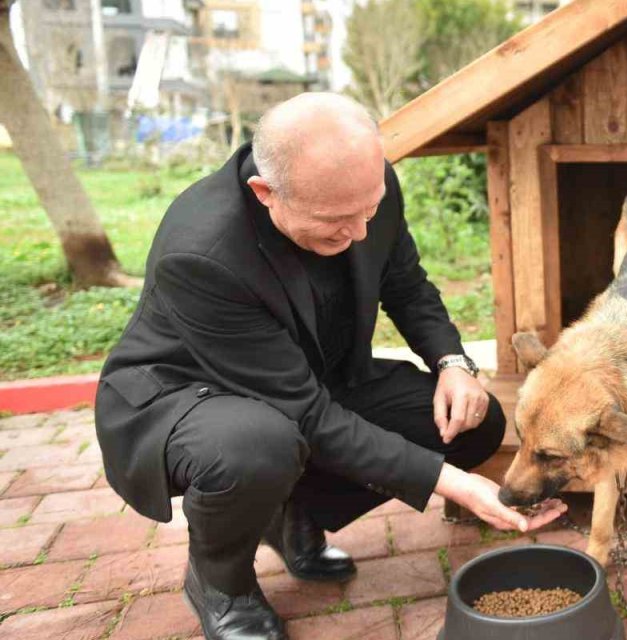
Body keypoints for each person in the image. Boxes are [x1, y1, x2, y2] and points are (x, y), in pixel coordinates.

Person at [94, 93, 565, 640]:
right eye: (338, 222)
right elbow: (307, 415)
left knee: (474, 419)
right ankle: (219, 581)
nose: (360, 233)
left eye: (368, 211)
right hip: (187, 396)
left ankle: (293, 511)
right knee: (257, 446)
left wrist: (453, 363)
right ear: (266, 193)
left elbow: (405, 284)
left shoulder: (365, 185)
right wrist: (456, 486)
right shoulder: (203, 253)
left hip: (305, 380)